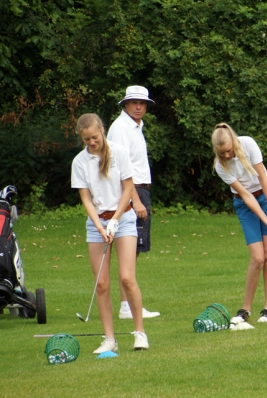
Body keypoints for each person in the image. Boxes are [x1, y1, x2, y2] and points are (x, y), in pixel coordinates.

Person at [71, 113, 149, 353]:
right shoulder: (79, 162)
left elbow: (128, 188)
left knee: (127, 277)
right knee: (102, 284)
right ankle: (109, 339)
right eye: (86, 140)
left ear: (102, 131)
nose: (92, 142)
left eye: (94, 137)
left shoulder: (119, 153)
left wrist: (115, 220)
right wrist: (99, 225)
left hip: (123, 218)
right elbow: (85, 197)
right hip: (97, 223)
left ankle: (140, 333)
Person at [211, 123, 267, 325]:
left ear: (233, 141)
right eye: (221, 152)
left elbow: (263, 178)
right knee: (257, 257)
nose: (226, 156)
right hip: (244, 203)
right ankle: (245, 310)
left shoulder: (248, 144)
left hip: (266, 194)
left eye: (228, 151)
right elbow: (245, 195)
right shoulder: (219, 165)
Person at [107, 85, 160, 319]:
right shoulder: (120, 128)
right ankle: (126, 306)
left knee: (134, 251)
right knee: (129, 249)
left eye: (142, 103)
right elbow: (120, 169)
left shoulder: (137, 126)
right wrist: (135, 200)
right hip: (132, 191)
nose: (139, 106)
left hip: (139, 190)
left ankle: (127, 305)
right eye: (134, 102)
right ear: (125, 104)